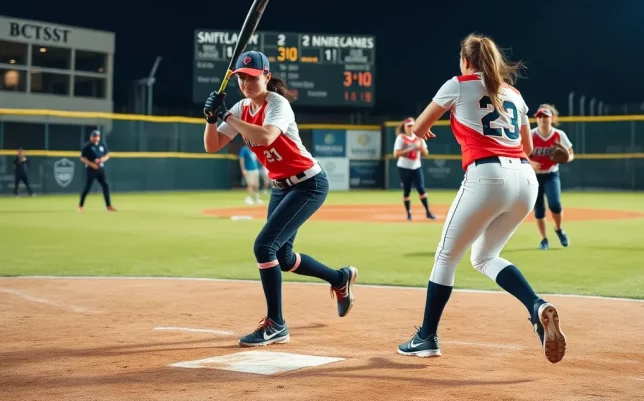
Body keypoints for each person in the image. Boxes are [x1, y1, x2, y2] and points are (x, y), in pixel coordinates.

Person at [396, 34, 566, 364]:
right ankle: (536, 306)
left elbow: (417, 127)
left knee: (446, 257)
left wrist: (425, 128)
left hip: (487, 175)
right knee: (485, 256)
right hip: (525, 179)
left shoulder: (458, 83)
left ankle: (426, 337)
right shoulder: (513, 93)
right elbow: (529, 149)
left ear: (466, 61)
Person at [203, 50, 358, 347]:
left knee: (264, 247)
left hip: (308, 184)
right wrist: (211, 119)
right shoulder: (240, 107)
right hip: (281, 187)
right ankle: (339, 278)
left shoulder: (278, 104)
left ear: (267, 77)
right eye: (241, 78)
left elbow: (266, 137)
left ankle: (276, 324)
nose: (246, 83)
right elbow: (213, 146)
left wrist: (226, 115)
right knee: (283, 258)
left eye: (252, 77)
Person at [529, 104, 574, 250]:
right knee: (539, 209)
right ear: (536, 119)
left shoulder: (559, 135)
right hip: (533, 176)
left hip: (551, 174)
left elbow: (571, 152)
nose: (542, 119)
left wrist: (567, 158)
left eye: (546, 116)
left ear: (552, 118)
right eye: (539, 116)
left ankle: (559, 229)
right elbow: (520, 152)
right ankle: (544, 239)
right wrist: (530, 162)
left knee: (555, 204)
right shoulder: (531, 134)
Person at [393, 117, 437, 221]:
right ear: (405, 127)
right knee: (407, 190)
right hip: (404, 167)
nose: (410, 127)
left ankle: (428, 212)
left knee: (421, 189)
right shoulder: (401, 138)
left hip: (416, 166)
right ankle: (408, 213)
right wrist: (411, 148)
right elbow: (396, 154)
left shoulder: (419, 138)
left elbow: (426, 153)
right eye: (408, 126)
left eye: (412, 125)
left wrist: (421, 148)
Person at [78, 130, 116, 212]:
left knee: (105, 185)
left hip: (100, 169)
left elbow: (107, 156)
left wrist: (102, 160)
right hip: (91, 169)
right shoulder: (87, 146)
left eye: (97, 136)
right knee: (87, 187)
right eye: (94, 136)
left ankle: (108, 206)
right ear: (91, 137)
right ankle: (80, 206)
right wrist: (92, 164)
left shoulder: (102, 145)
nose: (96, 138)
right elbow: (82, 158)